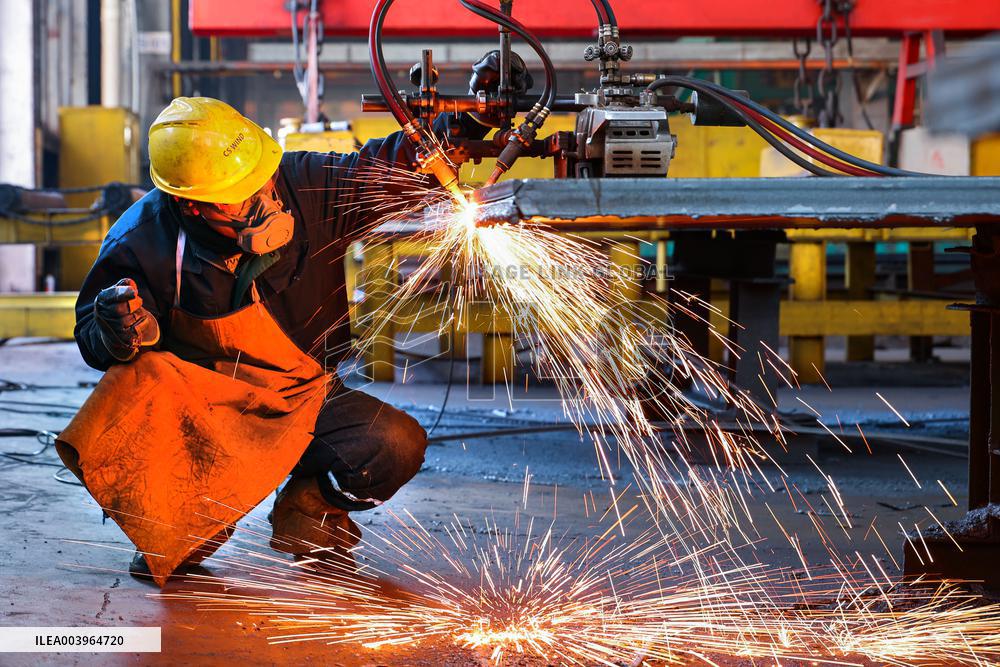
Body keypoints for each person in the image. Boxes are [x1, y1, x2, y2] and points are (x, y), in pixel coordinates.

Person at [55, 53, 532, 587]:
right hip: (204, 416)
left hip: (304, 398)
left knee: (394, 444)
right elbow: (93, 341)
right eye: (238, 200)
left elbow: (390, 166)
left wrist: (469, 123)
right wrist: (116, 331)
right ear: (192, 206)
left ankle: (309, 504)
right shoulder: (142, 242)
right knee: (176, 547)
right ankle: (192, 519)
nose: (262, 203)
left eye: (260, 183)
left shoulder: (303, 184)